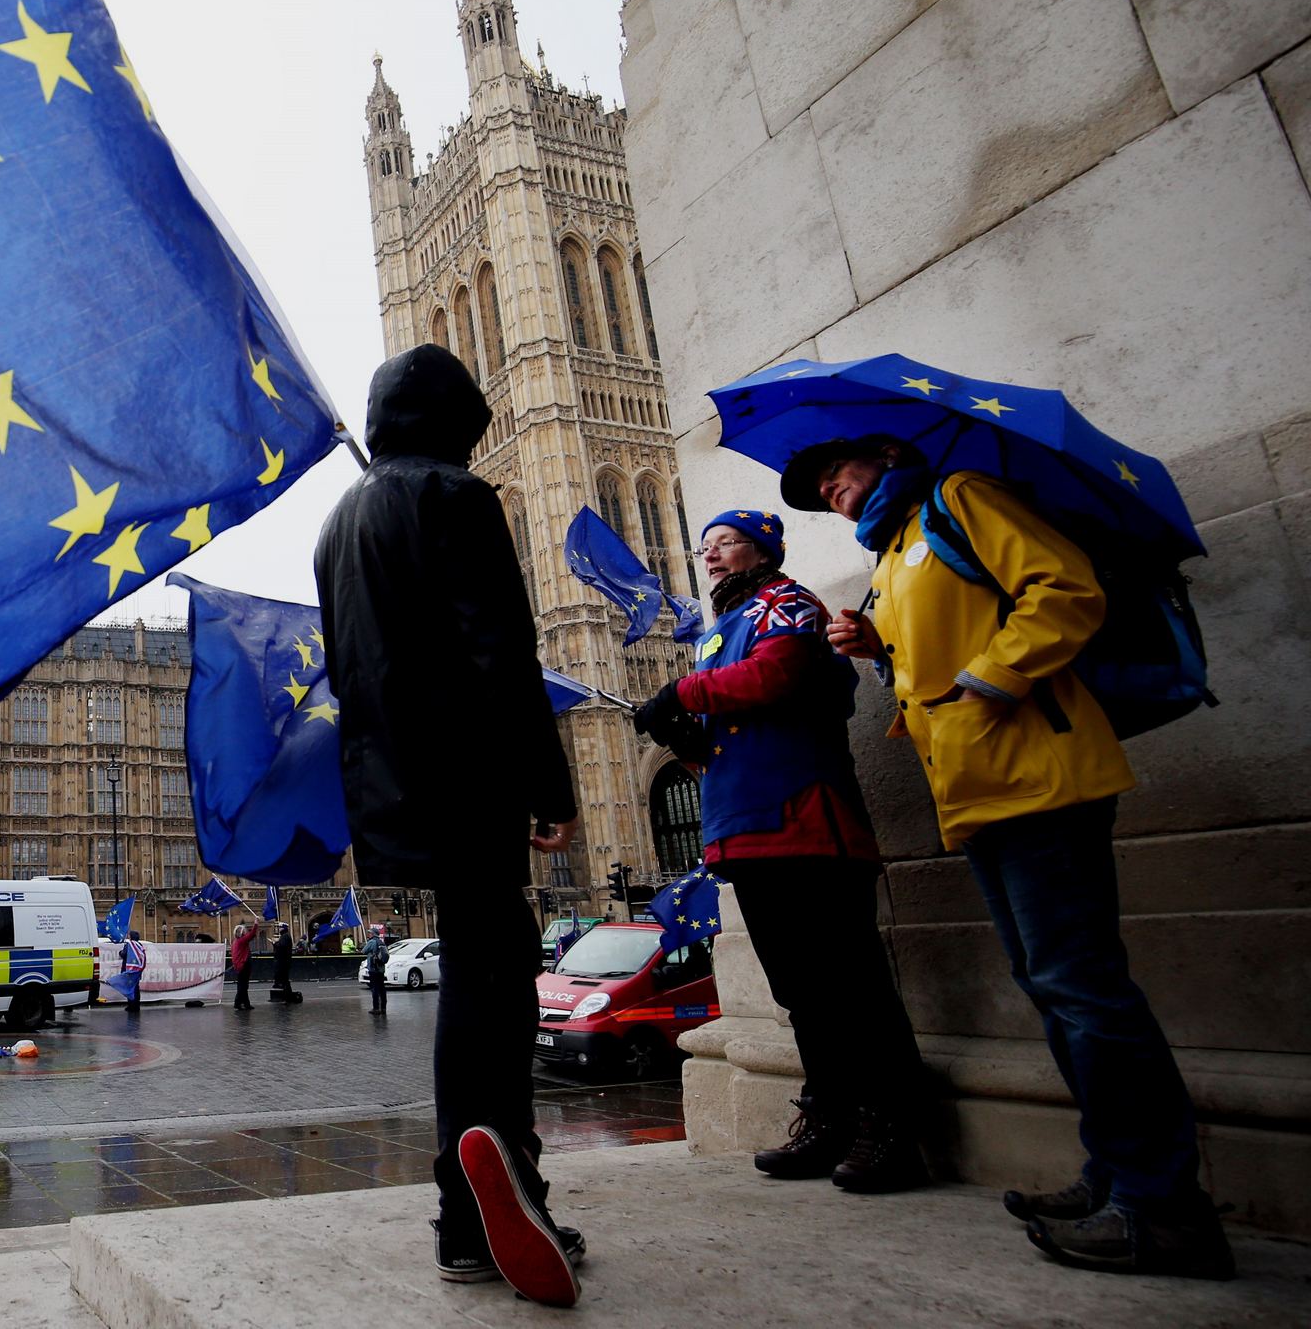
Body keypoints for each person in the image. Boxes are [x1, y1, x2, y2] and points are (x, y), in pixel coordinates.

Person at [788, 434, 1233, 1279]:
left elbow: (1065, 588)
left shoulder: (959, 498)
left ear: (884, 451)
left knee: (1084, 987)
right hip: (981, 790)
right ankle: (1115, 1176)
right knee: (1056, 989)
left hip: (1040, 771)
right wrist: (877, 647)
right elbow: (933, 663)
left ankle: (1163, 1205)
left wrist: (991, 681)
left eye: (834, 469)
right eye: (818, 486)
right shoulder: (894, 551)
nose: (829, 488)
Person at [315, 343, 584, 1308]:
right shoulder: (457, 497)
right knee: (498, 976)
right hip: (468, 774)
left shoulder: (338, 521)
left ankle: (483, 1206)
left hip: (391, 786)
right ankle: (484, 1196)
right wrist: (548, 788)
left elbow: (353, 668)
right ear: (454, 422)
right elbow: (501, 656)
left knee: (480, 959)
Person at [633, 508, 928, 1193]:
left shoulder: (786, 603)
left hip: (805, 820)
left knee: (852, 987)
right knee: (803, 993)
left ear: (762, 550)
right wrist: (685, 730)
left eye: (725, 543)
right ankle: (831, 1118)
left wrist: (681, 691)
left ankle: (892, 1127)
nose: (709, 556)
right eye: (703, 547)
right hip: (745, 829)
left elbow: (780, 675)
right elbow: (722, 733)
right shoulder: (718, 632)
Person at [228, 920, 260, 1011]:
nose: (246, 932)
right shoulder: (241, 941)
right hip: (243, 965)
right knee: (243, 986)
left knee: (243, 985)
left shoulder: (236, 941)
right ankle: (237, 1003)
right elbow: (252, 935)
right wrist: (256, 923)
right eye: (245, 931)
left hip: (240, 965)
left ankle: (246, 1004)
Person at [362, 925, 391, 1013]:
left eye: (370, 933)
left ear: (373, 934)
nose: (369, 935)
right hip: (381, 969)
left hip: (374, 968)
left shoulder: (372, 942)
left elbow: (364, 951)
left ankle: (376, 1008)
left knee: (375, 988)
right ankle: (383, 1008)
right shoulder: (381, 942)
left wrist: (366, 944)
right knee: (382, 988)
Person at [270, 922, 294, 997]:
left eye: (280, 928)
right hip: (284, 961)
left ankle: (287, 995)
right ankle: (287, 994)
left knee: (284, 978)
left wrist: (274, 943)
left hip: (283, 961)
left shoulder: (285, 936)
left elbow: (281, 947)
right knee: (284, 978)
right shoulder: (284, 936)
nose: (279, 929)